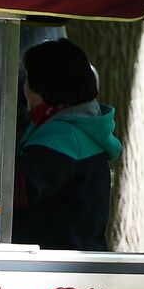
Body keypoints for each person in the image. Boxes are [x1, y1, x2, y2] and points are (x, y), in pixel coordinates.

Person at [12, 38, 123, 251]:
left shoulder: (63, 136)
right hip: (77, 255)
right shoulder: (81, 126)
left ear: (42, 86)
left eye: (28, 79)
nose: (24, 88)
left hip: (53, 262)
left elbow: (18, 191)